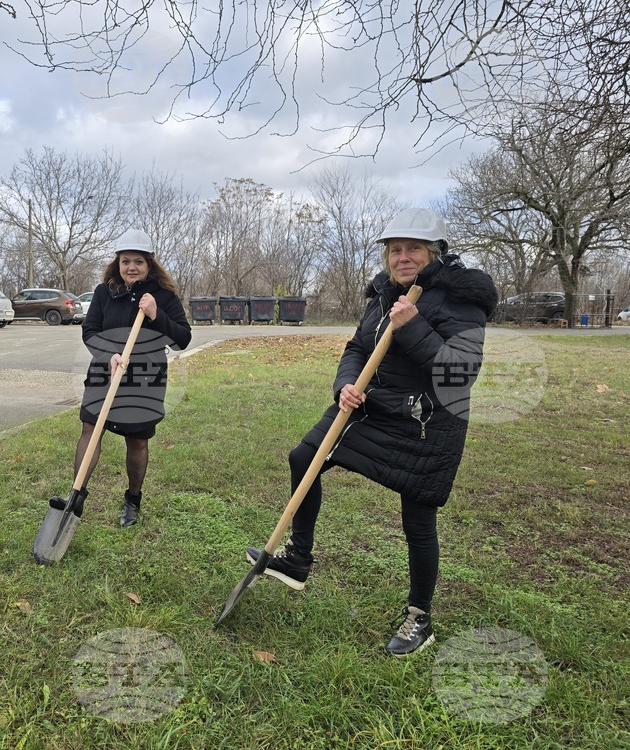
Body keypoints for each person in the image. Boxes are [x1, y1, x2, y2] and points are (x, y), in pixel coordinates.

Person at [245, 208, 497, 655]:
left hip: (427, 421)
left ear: (433, 253)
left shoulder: (461, 298)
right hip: (371, 408)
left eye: (413, 249)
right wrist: (345, 384)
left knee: (417, 521)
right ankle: (298, 560)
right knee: (305, 456)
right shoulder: (382, 294)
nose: (403, 257)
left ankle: (420, 616)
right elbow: (357, 347)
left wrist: (412, 325)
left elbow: (459, 373)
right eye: (395, 250)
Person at [51, 229, 192, 527]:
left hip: (145, 378)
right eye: (125, 260)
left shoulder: (164, 297)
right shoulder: (105, 292)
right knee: (91, 428)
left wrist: (156, 314)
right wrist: (108, 355)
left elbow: (182, 340)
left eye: (138, 261)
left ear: (149, 264)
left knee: (137, 440)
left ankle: (133, 500)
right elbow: (90, 331)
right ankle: (75, 497)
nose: (131, 267)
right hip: (106, 371)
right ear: (117, 263)